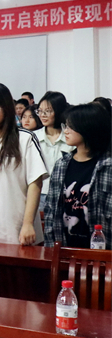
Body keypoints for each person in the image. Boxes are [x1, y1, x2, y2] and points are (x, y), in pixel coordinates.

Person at [0, 83, 47, 245]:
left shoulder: (24, 138)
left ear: (7, 108)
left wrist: (27, 223)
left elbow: (35, 183)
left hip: (16, 230)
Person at [43, 103, 112, 249]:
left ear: (88, 128)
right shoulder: (61, 164)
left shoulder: (107, 166)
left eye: (71, 127)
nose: (65, 131)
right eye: (65, 126)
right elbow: (50, 209)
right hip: (64, 245)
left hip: (102, 248)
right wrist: (50, 247)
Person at [35, 91, 74, 207]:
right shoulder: (33, 138)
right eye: (40, 111)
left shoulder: (71, 138)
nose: (43, 115)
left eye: (48, 111)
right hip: (39, 192)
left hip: (66, 193)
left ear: (59, 111)